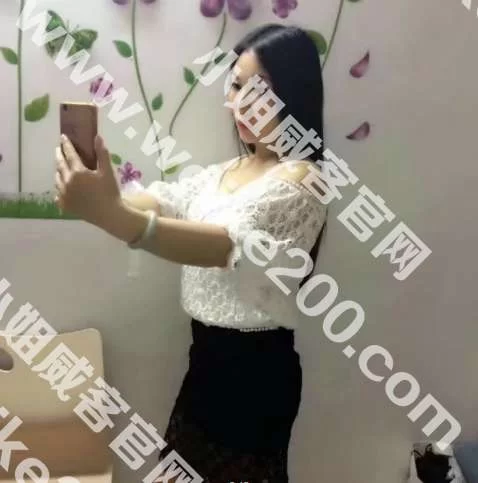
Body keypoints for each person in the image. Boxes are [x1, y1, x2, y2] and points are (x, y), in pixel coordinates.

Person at [55, 23, 327, 483]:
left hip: (256, 375)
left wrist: (113, 216)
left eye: (261, 92)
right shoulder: (229, 171)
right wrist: (106, 198)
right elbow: (167, 201)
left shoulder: (303, 180)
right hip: (205, 365)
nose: (242, 103)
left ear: (294, 95)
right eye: (237, 86)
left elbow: (225, 245)